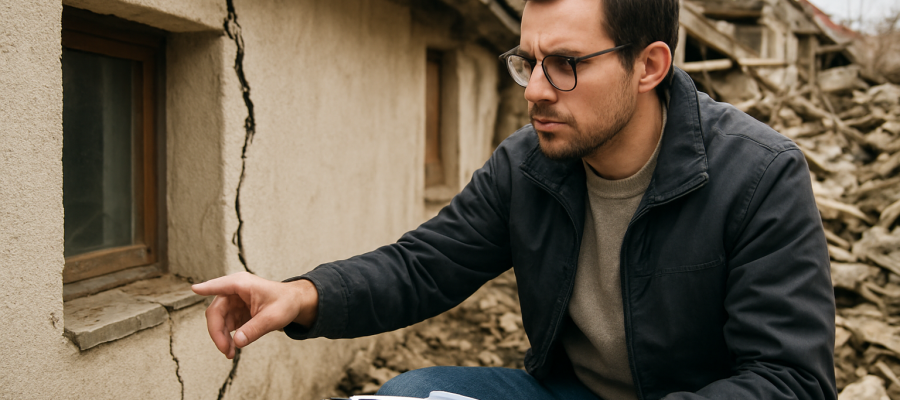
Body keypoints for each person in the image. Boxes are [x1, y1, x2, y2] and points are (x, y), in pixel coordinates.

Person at [192, 0, 837, 398]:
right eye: (528, 61)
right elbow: (425, 265)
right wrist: (302, 295)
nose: (535, 90)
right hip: (568, 393)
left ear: (650, 66)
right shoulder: (530, 164)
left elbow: (790, 382)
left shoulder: (760, 178)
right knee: (412, 394)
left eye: (565, 63)